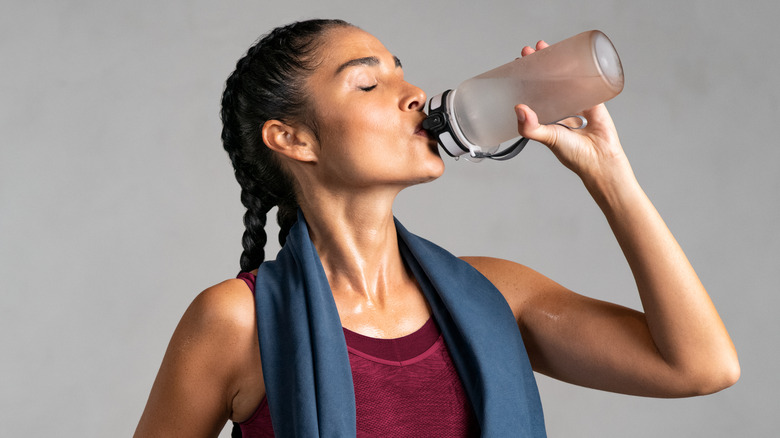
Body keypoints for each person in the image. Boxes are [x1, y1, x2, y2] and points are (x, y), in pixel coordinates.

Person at [134, 19, 739, 437]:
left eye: (402, 73)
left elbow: (701, 367)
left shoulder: (496, 295)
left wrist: (611, 178)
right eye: (369, 83)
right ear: (292, 138)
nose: (415, 93)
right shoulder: (236, 321)